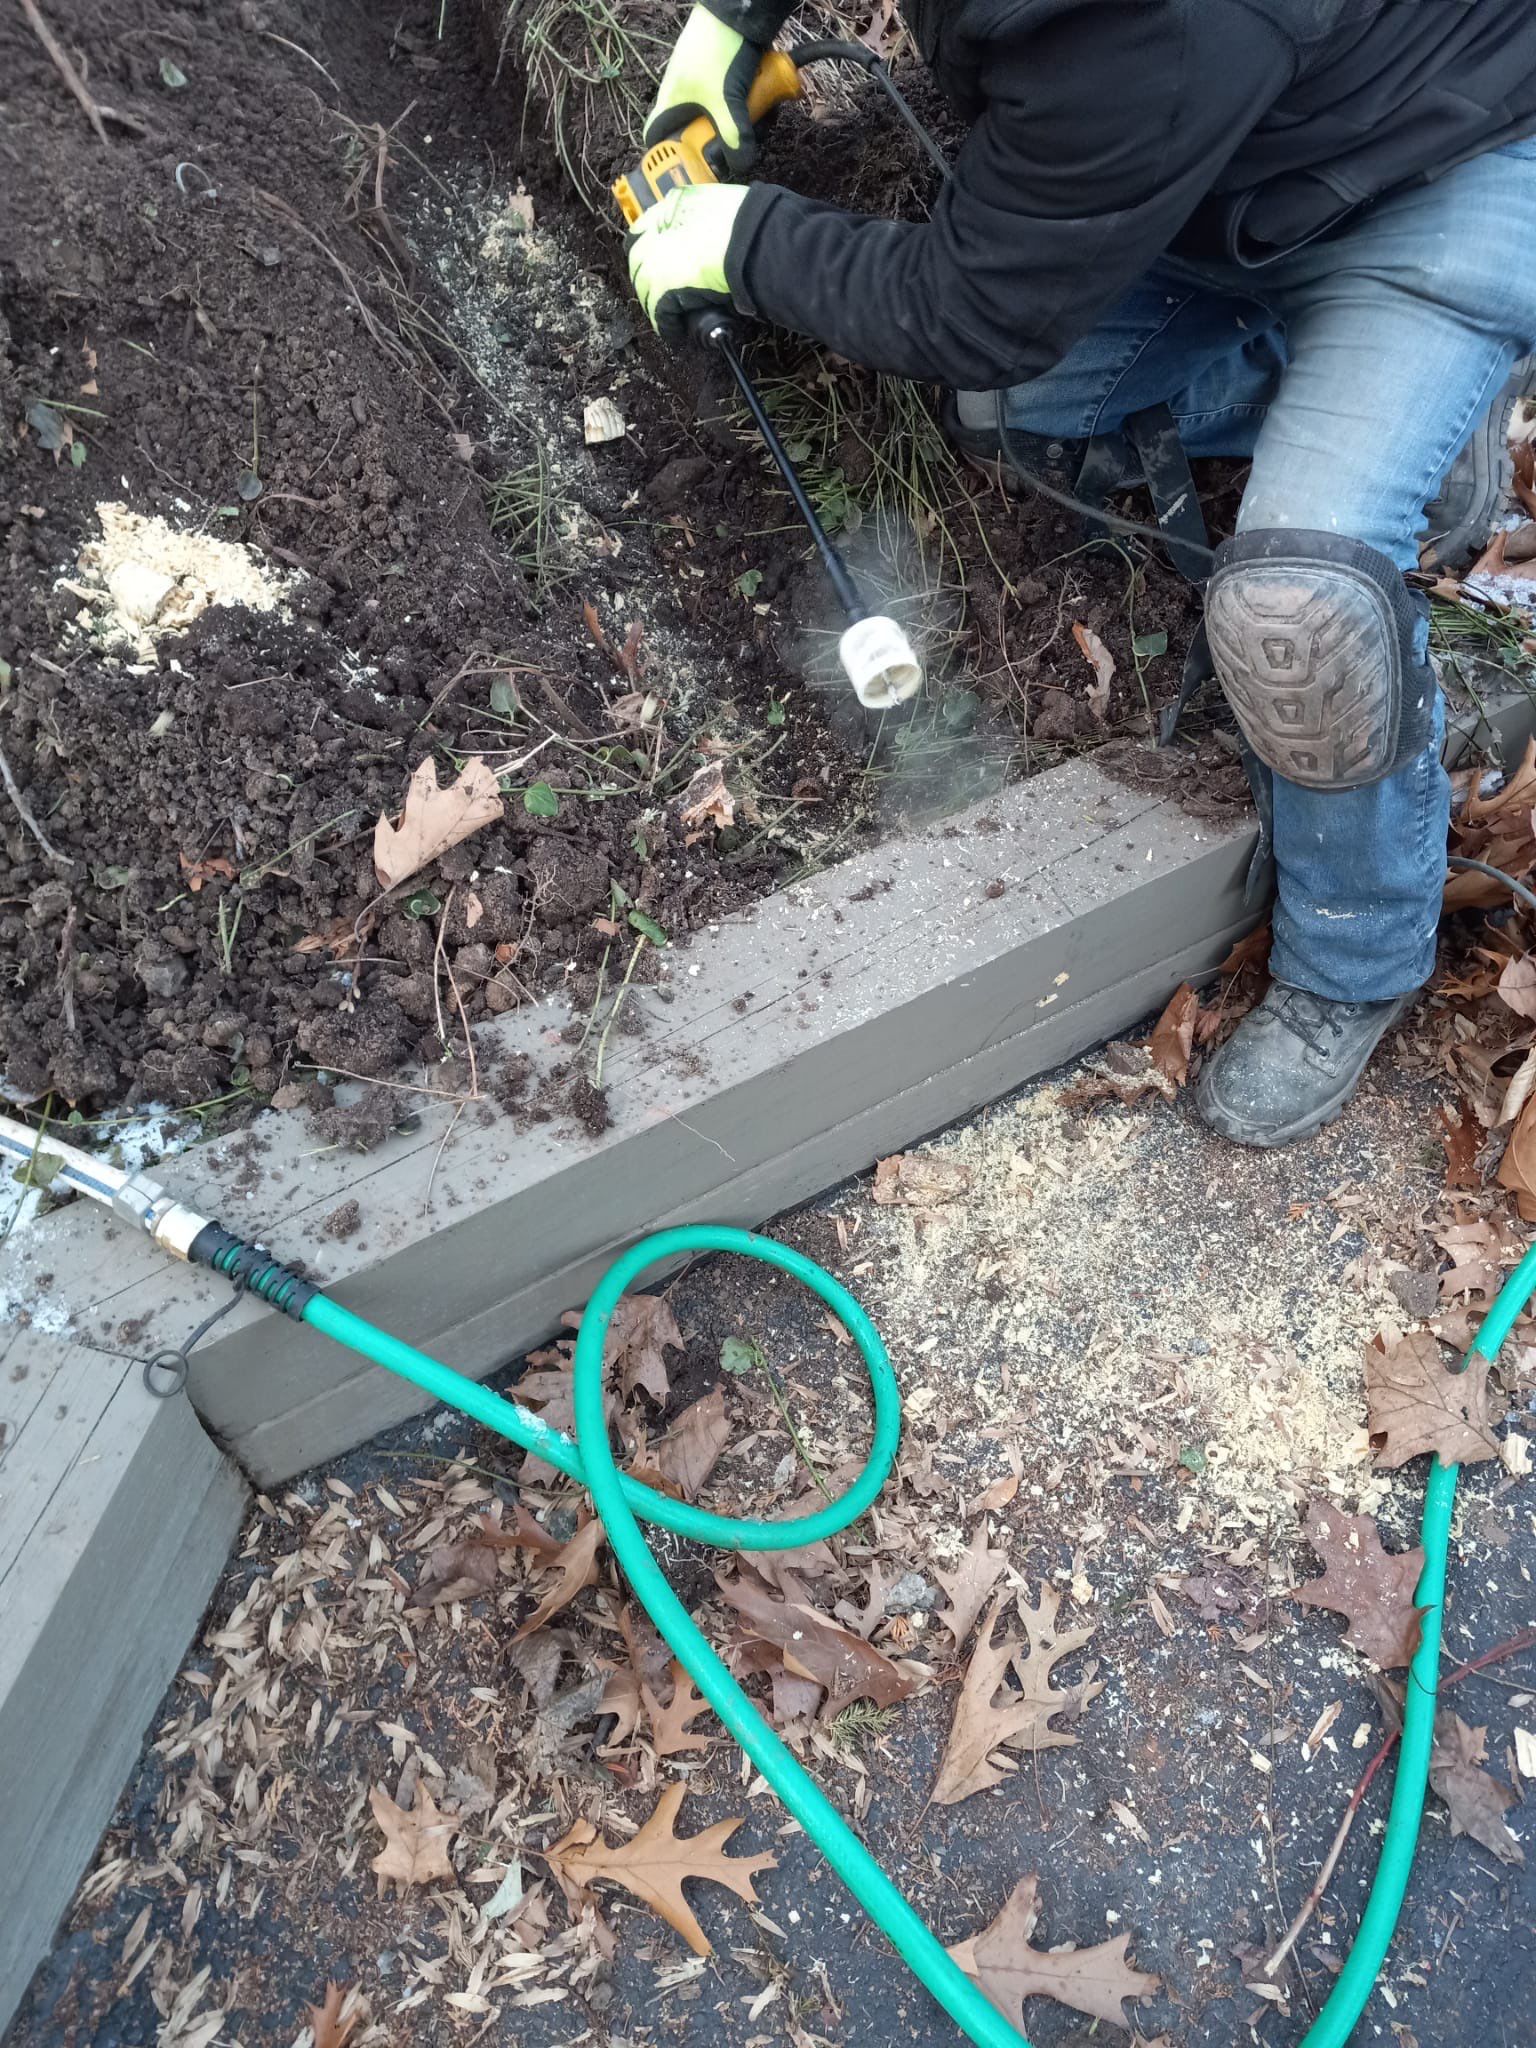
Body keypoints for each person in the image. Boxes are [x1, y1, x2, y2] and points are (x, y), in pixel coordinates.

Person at [626, 0, 1536, 1148]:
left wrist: (742, 243)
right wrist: (724, 36)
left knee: (1295, 608)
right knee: (1022, 408)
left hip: (1448, 166)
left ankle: (1356, 958)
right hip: (1231, 163)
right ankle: (1361, 411)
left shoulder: (1162, 26)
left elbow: (971, 308)